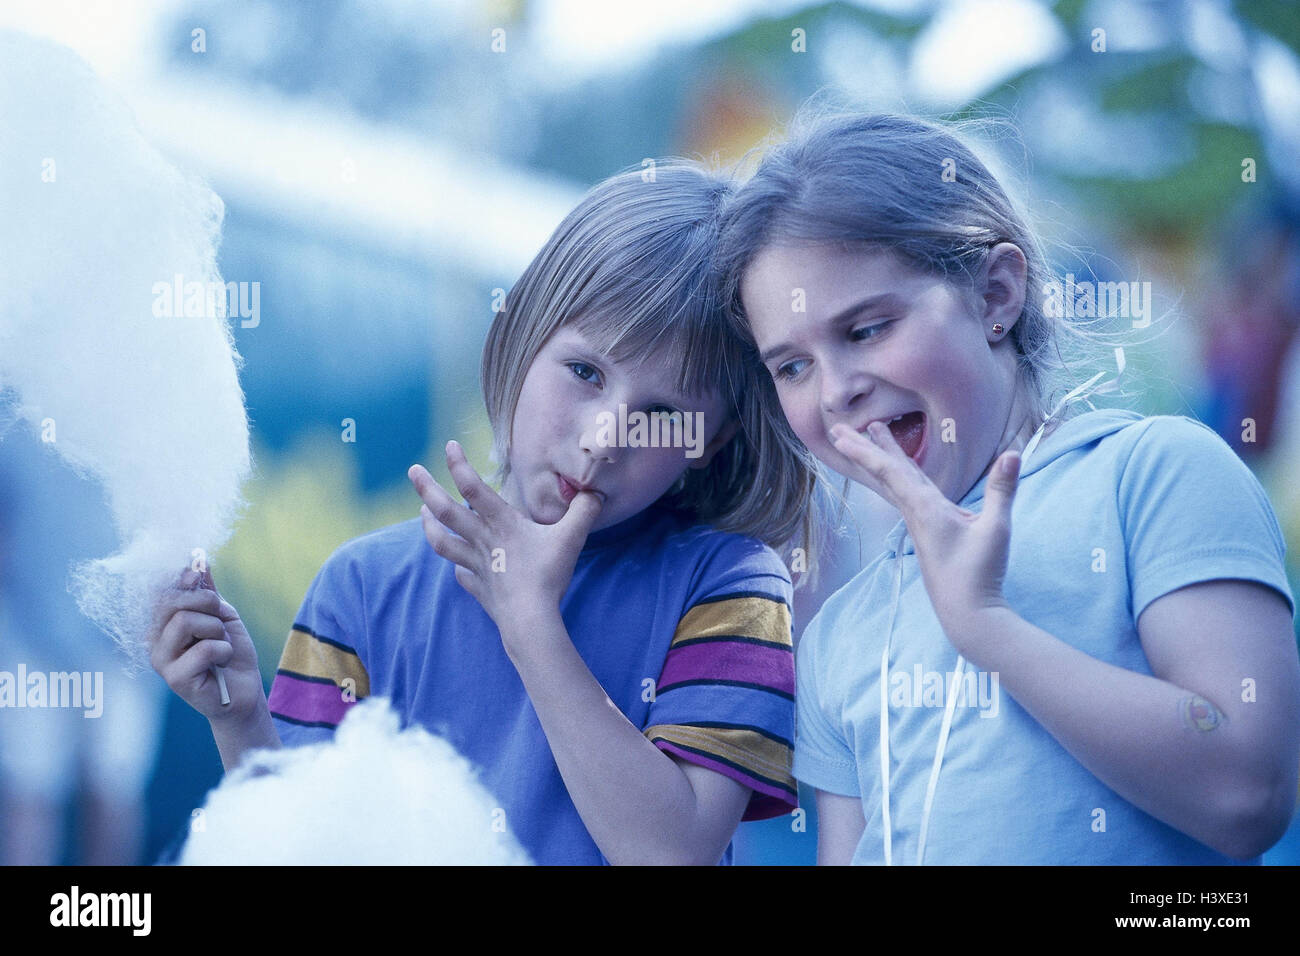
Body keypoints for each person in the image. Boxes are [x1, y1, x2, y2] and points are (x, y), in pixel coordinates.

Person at [148, 161, 817, 865]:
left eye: (662, 413)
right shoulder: (362, 587)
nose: (603, 439)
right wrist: (241, 717)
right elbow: (302, 847)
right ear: (523, 339)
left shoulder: (733, 590)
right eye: (585, 372)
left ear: (711, 441)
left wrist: (532, 622)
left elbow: (669, 853)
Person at [716, 109, 1300, 864]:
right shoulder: (843, 634)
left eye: (866, 330)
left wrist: (987, 629)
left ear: (996, 294)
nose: (835, 392)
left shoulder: (1154, 474)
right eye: (792, 365)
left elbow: (1248, 794)